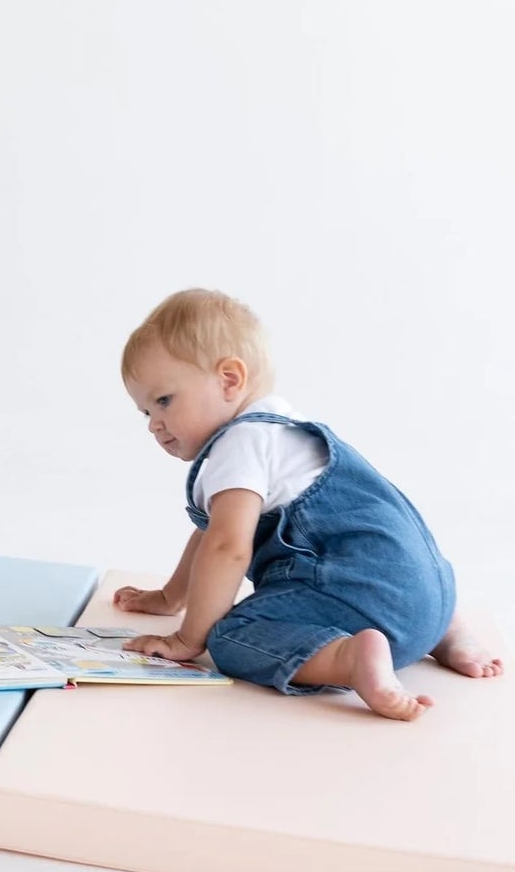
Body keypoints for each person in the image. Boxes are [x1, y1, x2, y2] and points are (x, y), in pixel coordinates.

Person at [114, 288, 502, 720]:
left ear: (229, 380)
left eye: (164, 401)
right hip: (430, 596)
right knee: (391, 575)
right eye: (145, 412)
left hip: (373, 608)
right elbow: (211, 533)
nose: (155, 424)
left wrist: (188, 638)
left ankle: (348, 658)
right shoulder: (286, 431)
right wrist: (171, 596)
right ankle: (447, 634)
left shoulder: (240, 444)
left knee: (230, 636)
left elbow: (227, 546)